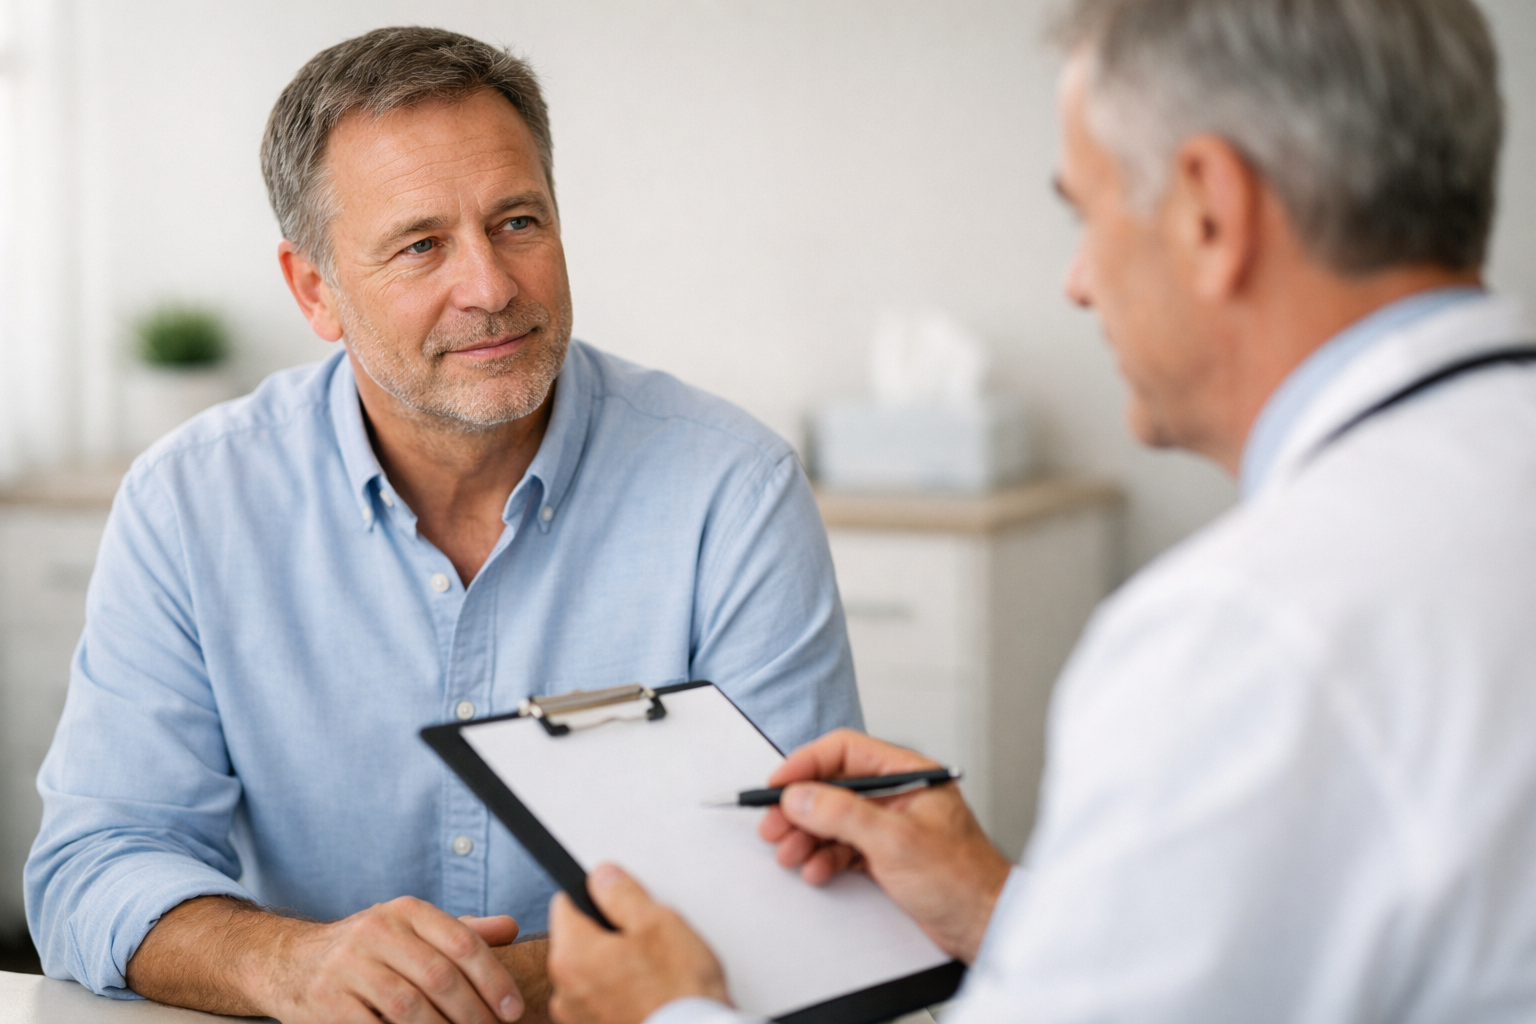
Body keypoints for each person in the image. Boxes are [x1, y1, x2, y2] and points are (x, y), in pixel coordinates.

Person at [542, 0, 1536, 1021]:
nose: (1078, 282)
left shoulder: (1238, 638)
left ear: (1209, 210)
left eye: (1085, 214)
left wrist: (666, 1011)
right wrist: (996, 906)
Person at [24, 27, 861, 1024]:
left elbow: (801, 885)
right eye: (421, 245)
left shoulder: (734, 490)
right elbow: (93, 866)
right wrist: (290, 964)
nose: (492, 286)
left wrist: (476, 987)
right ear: (315, 289)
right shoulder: (189, 503)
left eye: (518, 221)